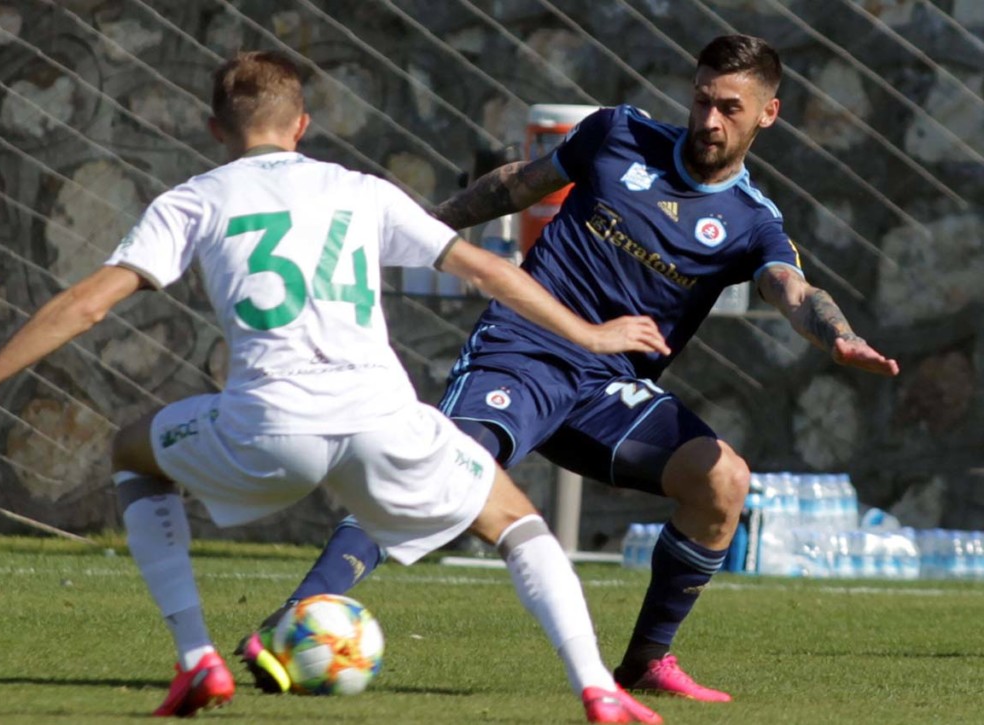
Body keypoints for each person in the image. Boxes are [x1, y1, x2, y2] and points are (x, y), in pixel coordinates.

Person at [0, 51, 672, 723]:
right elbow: (486, 270)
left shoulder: (193, 199)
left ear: (215, 129)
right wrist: (591, 333)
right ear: (302, 125)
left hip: (266, 428)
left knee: (131, 450)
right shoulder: (359, 190)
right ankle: (597, 688)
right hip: (383, 420)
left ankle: (197, 657)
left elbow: (86, 305)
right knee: (518, 526)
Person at [246, 34, 901, 703]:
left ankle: (646, 661)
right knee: (438, 470)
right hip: (523, 350)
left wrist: (838, 336)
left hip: (607, 391)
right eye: (703, 99)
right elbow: (521, 183)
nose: (709, 119)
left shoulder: (752, 221)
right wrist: (425, 226)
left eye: (730, 107)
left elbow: (791, 288)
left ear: (768, 113)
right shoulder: (617, 135)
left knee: (723, 482)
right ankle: (294, 617)